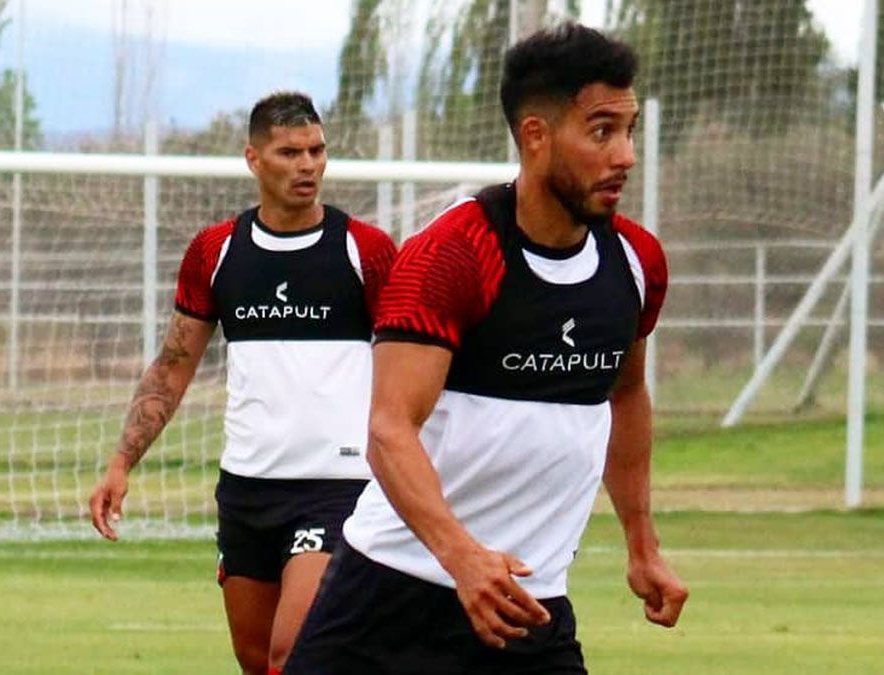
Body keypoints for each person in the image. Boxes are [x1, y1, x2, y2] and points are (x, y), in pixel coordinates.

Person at [285, 24, 688, 674]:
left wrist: (642, 544)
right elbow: (390, 427)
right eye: (602, 130)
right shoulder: (452, 256)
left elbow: (626, 393)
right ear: (536, 136)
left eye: (629, 130)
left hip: (530, 604)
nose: (625, 156)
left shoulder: (636, 263)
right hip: (389, 599)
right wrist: (462, 556)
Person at [88, 91, 396, 675]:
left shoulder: (365, 251)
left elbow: (414, 366)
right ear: (254, 159)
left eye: (317, 150)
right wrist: (121, 462)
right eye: (289, 152)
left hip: (338, 487)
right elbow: (172, 366)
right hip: (248, 490)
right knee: (257, 661)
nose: (307, 165)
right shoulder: (217, 251)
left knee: (294, 654)